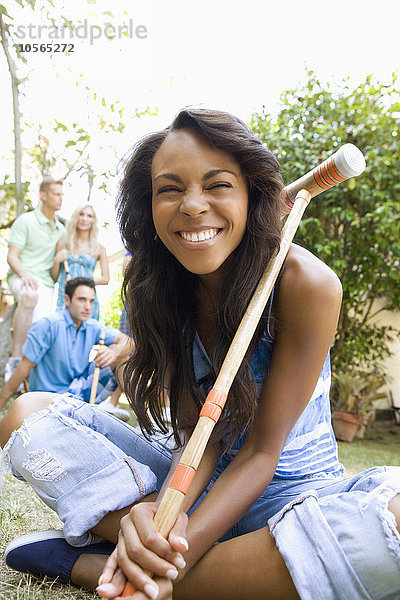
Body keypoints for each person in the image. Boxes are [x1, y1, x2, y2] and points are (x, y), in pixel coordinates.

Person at [1, 108, 400, 600]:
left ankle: (97, 567)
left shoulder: (306, 284)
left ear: (252, 194)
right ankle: (211, 564)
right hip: (199, 488)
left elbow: (261, 455)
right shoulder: (162, 289)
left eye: (217, 185)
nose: (192, 206)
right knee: (27, 415)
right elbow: (200, 440)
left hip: (292, 501)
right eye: (170, 189)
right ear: (148, 208)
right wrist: (165, 512)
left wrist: (172, 558)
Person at [0, 277, 131, 421]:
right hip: (49, 400)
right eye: (82, 300)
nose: (88, 306)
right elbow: (23, 368)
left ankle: (145, 420)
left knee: (123, 354)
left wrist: (113, 352)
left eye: (91, 301)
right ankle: (97, 412)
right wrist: (2, 402)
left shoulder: (92, 326)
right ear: (67, 300)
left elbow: (129, 342)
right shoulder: (48, 325)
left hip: (79, 392)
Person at [4, 178, 65, 382]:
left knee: (44, 326)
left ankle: (32, 378)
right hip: (22, 276)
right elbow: (12, 256)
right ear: (43, 195)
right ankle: (14, 360)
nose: (61, 198)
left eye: (62, 194)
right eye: (57, 194)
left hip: (46, 284)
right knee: (30, 296)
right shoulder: (26, 221)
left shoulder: (61, 231)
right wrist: (25, 275)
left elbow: (56, 275)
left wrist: (58, 261)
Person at [52, 204, 109, 319]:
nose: (84, 219)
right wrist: (57, 260)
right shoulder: (63, 245)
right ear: (75, 218)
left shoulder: (99, 248)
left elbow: (105, 279)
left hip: (87, 298)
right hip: (66, 296)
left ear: (93, 221)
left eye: (89, 216)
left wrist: (82, 282)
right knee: (63, 332)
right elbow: (54, 277)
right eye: (81, 214)